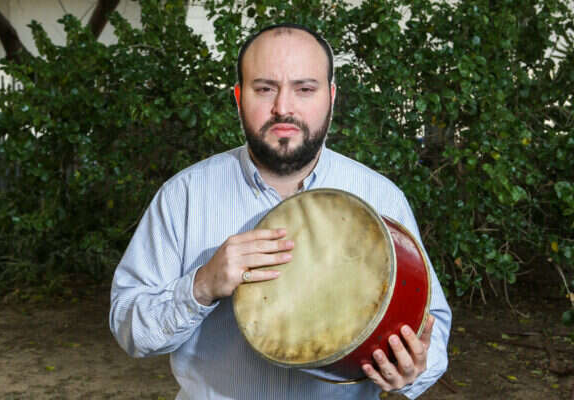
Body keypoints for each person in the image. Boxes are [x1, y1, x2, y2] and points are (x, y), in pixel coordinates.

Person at [109, 23, 451, 399]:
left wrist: (414, 368)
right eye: (264, 88)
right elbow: (129, 329)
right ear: (239, 97)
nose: (283, 107)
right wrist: (201, 286)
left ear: (331, 96)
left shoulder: (380, 196)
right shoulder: (184, 195)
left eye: (304, 89)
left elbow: (432, 331)